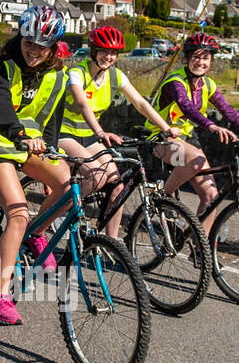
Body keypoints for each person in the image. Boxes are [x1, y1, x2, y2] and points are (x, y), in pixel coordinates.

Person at [0, 4, 71, 325]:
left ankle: (36, 234)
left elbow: (51, 116)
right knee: (18, 212)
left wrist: (51, 153)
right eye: (29, 43)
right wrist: (20, 134)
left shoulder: (57, 73)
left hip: (28, 145)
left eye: (42, 46)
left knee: (66, 184)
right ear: (20, 36)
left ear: (52, 46)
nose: (33, 51)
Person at [58, 25, 180, 238]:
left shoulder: (115, 76)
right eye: (104, 51)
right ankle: (61, 211)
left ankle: (110, 241)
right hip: (64, 134)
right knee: (96, 177)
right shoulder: (77, 73)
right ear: (94, 51)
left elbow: (140, 103)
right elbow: (81, 103)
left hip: (89, 135)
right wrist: (100, 132)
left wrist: (166, 128)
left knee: (117, 186)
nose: (109, 57)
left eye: (113, 53)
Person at [147, 30, 239, 232]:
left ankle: (201, 251)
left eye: (206, 58)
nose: (201, 62)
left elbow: (229, 111)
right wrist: (210, 125)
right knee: (194, 158)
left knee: (211, 197)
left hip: (187, 139)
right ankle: (163, 196)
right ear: (187, 58)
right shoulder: (175, 82)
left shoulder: (208, 84)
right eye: (196, 56)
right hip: (160, 137)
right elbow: (186, 106)